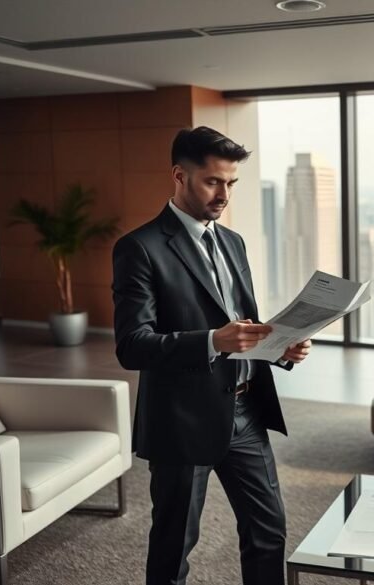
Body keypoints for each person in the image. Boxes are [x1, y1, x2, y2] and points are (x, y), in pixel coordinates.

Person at [112, 126, 310, 584]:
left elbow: (243, 324)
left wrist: (281, 349)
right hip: (181, 420)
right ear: (179, 176)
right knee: (174, 544)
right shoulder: (139, 248)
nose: (224, 194)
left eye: (231, 183)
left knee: (269, 530)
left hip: (245, 409)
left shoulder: (232, 242)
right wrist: (210, 341)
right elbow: (131, 345)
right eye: (213, 181)